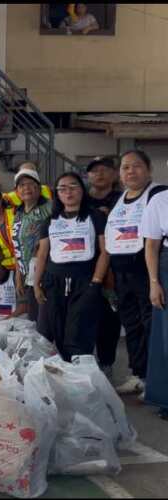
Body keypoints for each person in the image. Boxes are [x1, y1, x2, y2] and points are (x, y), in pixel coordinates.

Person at [106, 150, 167, 394]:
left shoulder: (158, 195)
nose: (131, 171)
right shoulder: (119, 199)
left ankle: (156, 380)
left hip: (147, 271)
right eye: (125, 167)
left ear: (149, 169)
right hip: (122, 273)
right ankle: (138, 374)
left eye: (137, 166)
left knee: (152, 326)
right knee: (132, 325)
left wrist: (154, 279)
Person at [33, 171, 108, 361]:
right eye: (63, 188)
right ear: (56, 194)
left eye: (73, 186)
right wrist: (36, 284)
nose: (68, 192)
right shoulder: (49, 221)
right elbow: (42, 254)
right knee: (58, 331)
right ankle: (68, 377)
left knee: (79, 332)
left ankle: (83, 372)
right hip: (54, 282)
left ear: (82, 190)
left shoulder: (95, 216)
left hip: (85, 281)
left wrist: (96, 282)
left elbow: (105, 251)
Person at [85, 156, 124, 378]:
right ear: (88, 175)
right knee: (84, 314)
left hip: (114, 267)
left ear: (114, 174)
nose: (99, 174)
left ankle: (107, 361)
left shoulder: (123, 199)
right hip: (84, 265)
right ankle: (84, 361)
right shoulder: (81, 200)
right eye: (94, 170)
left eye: (105, 169)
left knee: (109, 316)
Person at [9, 168, 53, 324]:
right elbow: (18, 246)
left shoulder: (49, 208)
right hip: (28, 275)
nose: (26, 188)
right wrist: (18, 276)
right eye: (21, 185)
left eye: (30, 184)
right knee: (33, 320)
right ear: (16, 191)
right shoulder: (18, 213)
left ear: (39, 188)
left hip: (47, 273)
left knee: (45, 321)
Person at [142, 171, 168, 418]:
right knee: (166, 337)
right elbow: (151, 245)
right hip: (166, 267)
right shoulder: (160, 200)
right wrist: (154, 282)